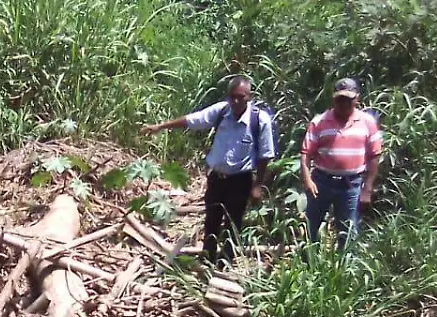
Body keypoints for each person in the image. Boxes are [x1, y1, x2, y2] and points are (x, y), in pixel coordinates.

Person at [140, 76, 275, 267]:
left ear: (249, 96)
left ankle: (226, 263)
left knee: (233, 222)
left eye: (240, 97)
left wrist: (258, 185)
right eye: (232, 97)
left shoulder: (260, 120)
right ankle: (208, 259)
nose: (236, 101)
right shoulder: (221, 111)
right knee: (212, 219)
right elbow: (192, 120)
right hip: (217, 178)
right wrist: (161, 126)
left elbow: (265, 155)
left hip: (240, 180)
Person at [300, 78, 383, 250]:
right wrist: (308, 180)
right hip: (321, 182)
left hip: (351, 184)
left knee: (349, 230)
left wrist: (367, 189)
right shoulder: (319, 122)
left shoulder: (368, 123)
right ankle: (308, 265)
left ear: (357, 99)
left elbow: (374, 155)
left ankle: (345, 271)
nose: (343, 103)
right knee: (311, 226)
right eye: (340, 99)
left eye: (348, 99)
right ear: (333, 99)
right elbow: (306, 154)